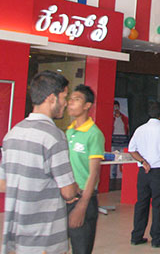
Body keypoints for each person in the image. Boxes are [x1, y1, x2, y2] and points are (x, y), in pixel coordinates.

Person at [0, 70, 79, 254]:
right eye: (64, 97)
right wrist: (75, 190)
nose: (66, 103)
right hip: (44, 238)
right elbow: (68, 191)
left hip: (16, 235)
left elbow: (3, 184)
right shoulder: (54, 137)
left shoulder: (12, 134)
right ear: (51, 98)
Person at [128, 101, 160, 248]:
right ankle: (157, 238)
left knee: (141, 204)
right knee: (159, 205)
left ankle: (137, 236)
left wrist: (143, 161)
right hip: (159, 173)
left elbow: (132, 150)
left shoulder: (140, 130)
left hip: (143, 173)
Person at [66, 84, 105, 254]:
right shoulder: (68, 132)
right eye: (70, 99)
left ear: (87, 105)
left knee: (81, 249)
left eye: (77, 99)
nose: (71, 103)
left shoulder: (94, 134)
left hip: (83, 198)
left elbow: (94, 174)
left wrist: (82, 206)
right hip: (65, 197)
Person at [111, 100, 129, 179]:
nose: (115, 109)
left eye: (116, 107)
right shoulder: (111, 118)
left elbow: (127, 128)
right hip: (114, 141)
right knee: (114, 159)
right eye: (114, 107)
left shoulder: (124, 118)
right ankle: (113, 176)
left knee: (123, 158)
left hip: (123, 140)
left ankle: (123, 176)